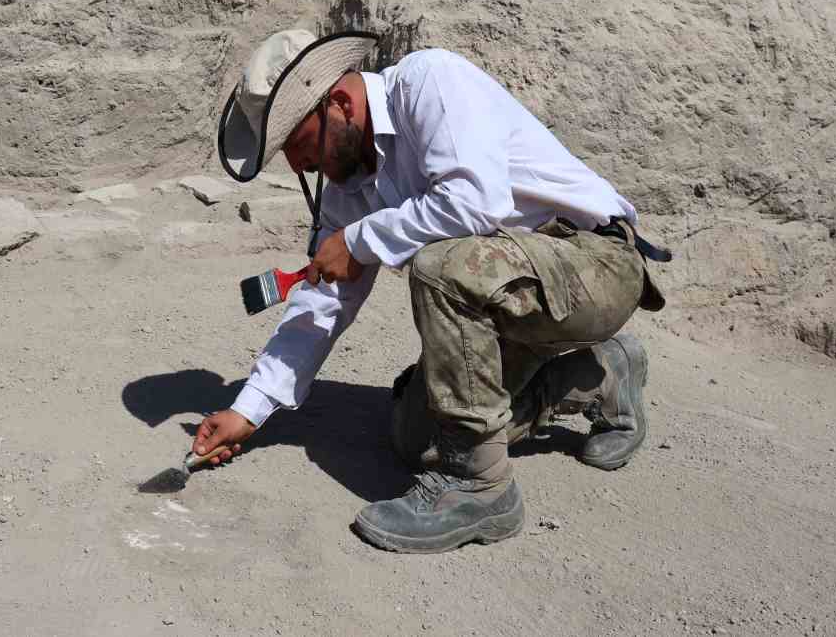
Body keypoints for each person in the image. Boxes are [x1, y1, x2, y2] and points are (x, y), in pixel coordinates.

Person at [197, 29, 669, 554]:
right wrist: (249, 410)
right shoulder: (349, 189)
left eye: (299, 144)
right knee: (417, 441)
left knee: (440, 263)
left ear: (338, 103)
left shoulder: (429, 82)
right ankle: (596, 375)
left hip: (596, 265)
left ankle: (480, 491)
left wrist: (358, 240)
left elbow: (473, 203)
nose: (299, 166)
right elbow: (322, 301)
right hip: (515, 293)